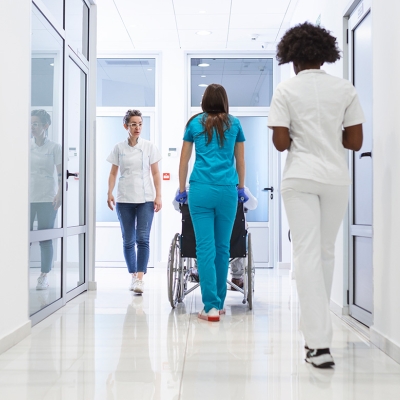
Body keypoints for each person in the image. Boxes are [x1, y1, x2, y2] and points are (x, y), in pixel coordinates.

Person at [268, 22, 365, 368]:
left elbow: (280, 143)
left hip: (300, 177)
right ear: (325, 55)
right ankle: (317, 337)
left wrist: (304, 139)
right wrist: (327, 138)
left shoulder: (286, 91)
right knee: (324, 254)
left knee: (306, 254)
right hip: (336, 178)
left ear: (292, 58)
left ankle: (318, 344)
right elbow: (355, 142)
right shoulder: (344, 88)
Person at [176, 83, 248, 322]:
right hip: (227, 191)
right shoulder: (234, 124)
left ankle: (210, 307)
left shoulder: (194, 123)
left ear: (204, 101)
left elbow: (184, 161)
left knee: (204, 248)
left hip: (201, 190)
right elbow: (240, 162)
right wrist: (240, 188)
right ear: (224, 101)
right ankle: (218, 302)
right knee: (222, 248)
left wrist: (181, 189)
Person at [107, 109, 162, 294]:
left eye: (140, 124)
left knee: (143, 239)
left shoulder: (149, 147)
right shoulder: (119, 148)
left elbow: (155, 172)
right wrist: (109, 192)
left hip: (145, 199)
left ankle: (140, 278)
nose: (137, 127)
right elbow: (113, 172)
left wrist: (158, 195)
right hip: (124, 199)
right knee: (128, 240)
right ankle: (132, 275)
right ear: (126, 126)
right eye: (133, 124)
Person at [30, 109, 62, 290]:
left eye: (36, 123)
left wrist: (59, 194)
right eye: (31, 123)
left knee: (45, 237)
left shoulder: (54, 147)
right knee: (23, 237)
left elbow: (60, 173)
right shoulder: (27, 146)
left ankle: (44, 275)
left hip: (47, 197)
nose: (32, 127)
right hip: (27, 197)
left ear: (45, 125)